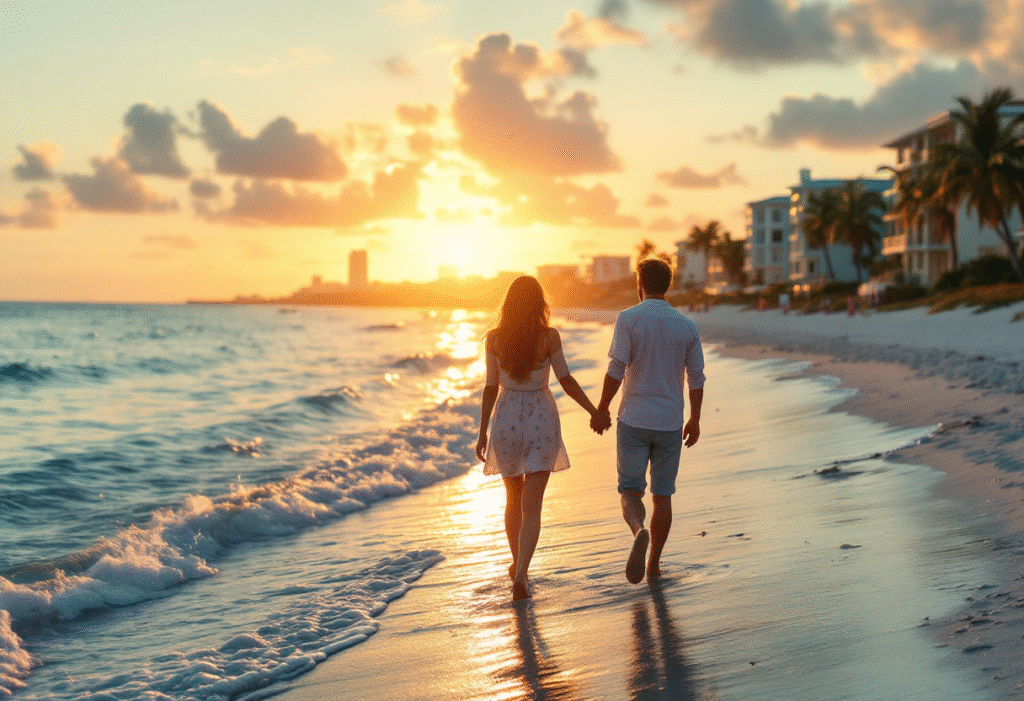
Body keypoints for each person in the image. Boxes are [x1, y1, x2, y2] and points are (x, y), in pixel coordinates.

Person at [476, 276, 601, 601]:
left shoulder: (493, 339)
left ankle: (519, 567)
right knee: (533, 506)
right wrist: (593, 410)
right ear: (539, 304)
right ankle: (520, 576)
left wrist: (481, 432)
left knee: (513, 500)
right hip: (541, 418)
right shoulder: (549, 337)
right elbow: (566, 379)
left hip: (506, 420)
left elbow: (490, 387)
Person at [590, 258, 706, 584]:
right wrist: (694, 420)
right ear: (668, 284)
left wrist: (601, 408)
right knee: (663, 494)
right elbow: (696, 379)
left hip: (634, 419)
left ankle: (638, 530)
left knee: (630, 491)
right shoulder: (687, 326)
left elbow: (616, 368)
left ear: (639, 283)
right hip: (670, 422)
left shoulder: (628, 318)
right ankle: (654, 563)